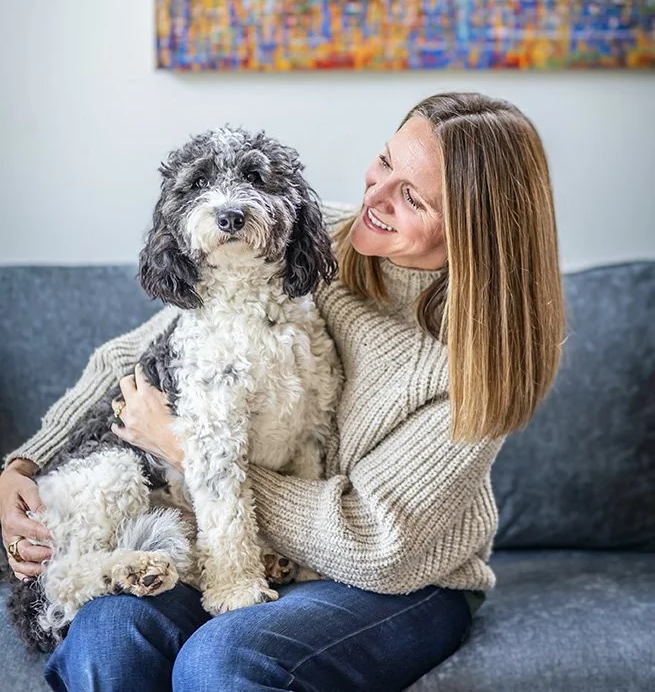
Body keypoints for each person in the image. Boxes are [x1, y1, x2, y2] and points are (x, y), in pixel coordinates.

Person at [0, 92, 565, 692]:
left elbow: (379, 545)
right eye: (384, 162)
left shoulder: (487, 353)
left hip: (402, 578)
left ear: (475, 228)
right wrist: (23, 466)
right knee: (109, 640)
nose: (375, 197)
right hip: (257, 542)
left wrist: (191, 452)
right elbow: (132, 354)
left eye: (412, 197)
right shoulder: (317, 237)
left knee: (224, 660)